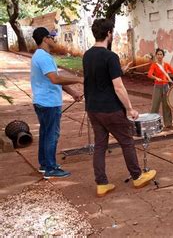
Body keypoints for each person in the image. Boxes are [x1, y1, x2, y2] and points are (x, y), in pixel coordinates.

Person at [83, 19, 156, 197]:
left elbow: (98, 77)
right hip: (111, 109)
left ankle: (101, 183)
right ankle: (137, 176)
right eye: (112, 32)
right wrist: (130, 108)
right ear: (108, 33)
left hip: (93, 108)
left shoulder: (87, 55)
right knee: (127, 142)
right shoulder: (110, 56)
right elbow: (118, 87)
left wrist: (118, 70)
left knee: (100, 145)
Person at [30, 27, 83, 179]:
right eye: (51, 37)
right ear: (45, 39)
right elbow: (56, 79)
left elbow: (55, 79)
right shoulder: (44, 57)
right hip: (48, 103)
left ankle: (45, 164)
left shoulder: (40, 56)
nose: (54, 39)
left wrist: (73, 93)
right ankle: (51, 168)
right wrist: (79, 79)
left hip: (43, 101)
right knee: (52, 135)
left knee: (45, 133)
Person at [147, 48, 173, 128]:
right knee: (155, 106)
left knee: (167, 105)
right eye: (158, 54)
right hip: (157, 87)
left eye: (161, 54)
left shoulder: (166, 65)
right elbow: (149, 74)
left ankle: (168, 123)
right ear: (156, 55)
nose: (159, 56)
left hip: (166, 87)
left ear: (163, 56)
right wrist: (155, 78)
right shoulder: (154, 65)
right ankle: (152, 124)